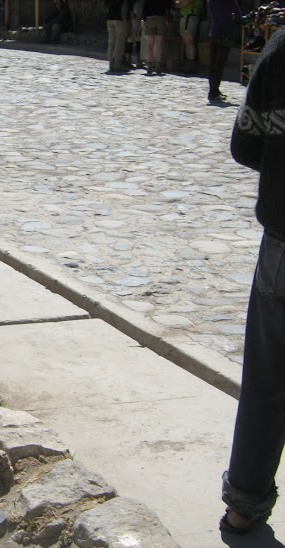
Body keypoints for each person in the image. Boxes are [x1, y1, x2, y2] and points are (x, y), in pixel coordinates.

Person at [220, 27, 285, 536]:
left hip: (284, 243)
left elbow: (245, 145)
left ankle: (243, 505)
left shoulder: (282, 48)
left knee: (267, 380)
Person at [207, 0, 241, 102]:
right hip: (225, 33)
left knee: (213, 63)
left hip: (214, 32)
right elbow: (238, 16)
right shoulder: (230, 1)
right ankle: (213, 91)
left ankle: (214, 89)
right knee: (219, 64)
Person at [142, 0, 173, 75]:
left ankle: (149, 65)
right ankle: (158, 65)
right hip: (160, 18)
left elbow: (144, 7)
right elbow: (168, 6)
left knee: (150, 44)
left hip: (149, 18)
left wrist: (144, 18)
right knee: (159, 44)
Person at [175, 0, 204, 73]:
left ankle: (191, 64)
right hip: (186, 16)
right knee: (186, 40)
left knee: (189, 40)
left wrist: (179, 4)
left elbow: (183, 3)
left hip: (190, 16)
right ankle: (188, 63)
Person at [105, 0, 132, 72]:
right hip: (120, 18)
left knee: (111, 41)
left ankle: (111, 63)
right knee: (120, 42)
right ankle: (117, 64)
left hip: (110, 17)